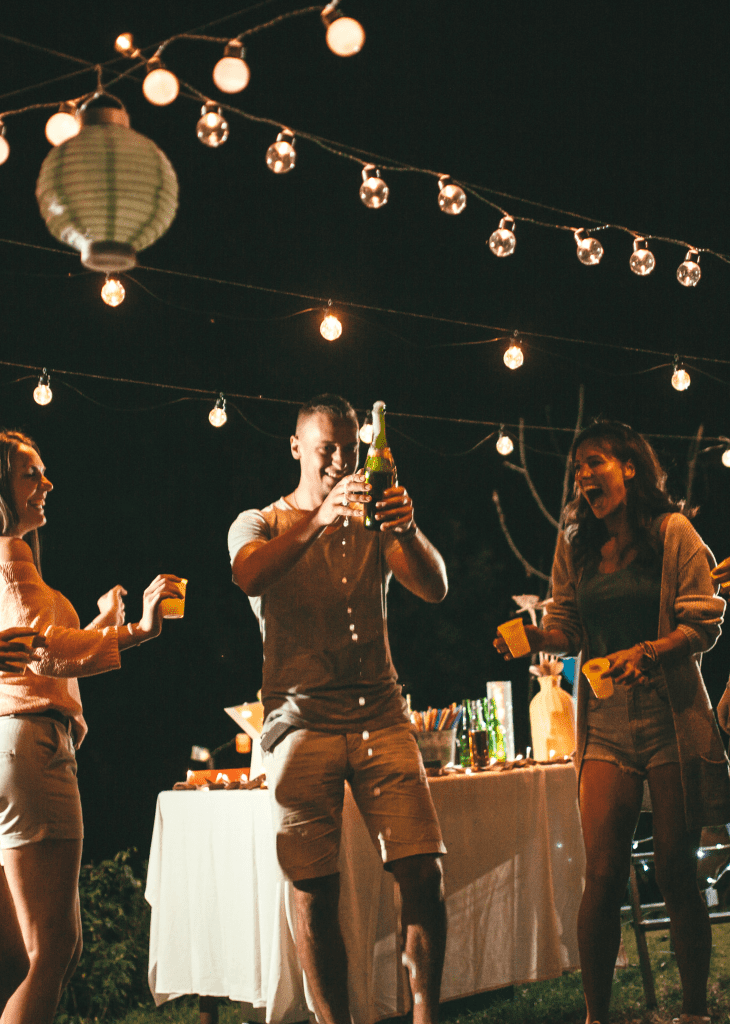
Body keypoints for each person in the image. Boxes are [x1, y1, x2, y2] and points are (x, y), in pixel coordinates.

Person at [494, 420, 730, 1024]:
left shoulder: (673, 533)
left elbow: (704, 623)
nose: (583, 476)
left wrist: (648, 652)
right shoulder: (575, 544)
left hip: (671, 715)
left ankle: (695, 1012)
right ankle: (598, 1016)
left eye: (594, 462)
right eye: (578, 468)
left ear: (629, 467)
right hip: (603, 722)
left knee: (677, 868)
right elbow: (568, 627)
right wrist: (533, 636)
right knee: (602, 872)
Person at [229, 394, 449, 1024]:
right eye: (327, 450)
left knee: (424, 871)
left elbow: (434, 588)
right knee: (313, 888)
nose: (340, 463)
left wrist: (405, 527)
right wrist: (320, 516)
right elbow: (249, 575)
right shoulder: (260, 522)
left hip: (381, 714)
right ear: (296, 447)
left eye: (349, 450)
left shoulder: (373, 520)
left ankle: (425, 1017)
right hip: (299, 723)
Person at [0, 428, 183, 1024]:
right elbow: (44, 653)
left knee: (20, 955)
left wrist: (100, 619)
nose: (46, 483)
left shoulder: (15, 563)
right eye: (31, 474)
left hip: (12, 749)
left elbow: (37, 648)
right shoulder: (8, 558)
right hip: (33, 749)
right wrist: (135, 632)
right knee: (56, 951)